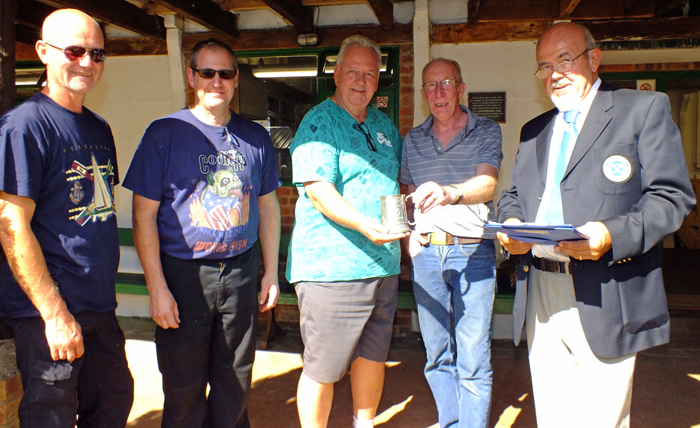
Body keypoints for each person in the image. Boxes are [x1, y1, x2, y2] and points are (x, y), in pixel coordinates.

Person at [497, 22, 695, 428]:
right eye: (545, 66)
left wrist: (612, 235)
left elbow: (672, 197)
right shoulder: (534, 131)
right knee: (552, 415)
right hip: (542, 291)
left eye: (565, 59)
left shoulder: (641, 110)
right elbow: (513, 195)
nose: (555, 73)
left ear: (594, 57)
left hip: (607, 288)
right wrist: (512, 225)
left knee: (602, 419)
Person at [123, 38, 281, 428]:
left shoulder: (255, 137)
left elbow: (268, 206)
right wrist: (156, 288)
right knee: (183, 385)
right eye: (207, 72)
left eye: (225, 73)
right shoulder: (164, 133)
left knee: (236, 380)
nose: (216, 81)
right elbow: (143, 216)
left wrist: (271, 272)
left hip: (241, 270)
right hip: (184, 275)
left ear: (236, 79)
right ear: (192, 76)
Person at [0, 9, 134, 427]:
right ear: (43, 51)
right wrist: (54, 314)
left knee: (113, 401)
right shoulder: (23, 127)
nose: (87, 63)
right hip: (49, 310)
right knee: (51, 417)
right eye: (75, 51)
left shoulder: (97, 127)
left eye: (97, 54)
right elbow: (11, 225)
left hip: (98, 304)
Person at [286, 35, 407, 428]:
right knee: (324, 367)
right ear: (336, 74)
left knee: (373, 355)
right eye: (352, 71)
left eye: (370, 74)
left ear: (378, 80)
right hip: (333, 270)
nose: (361, 80)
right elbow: (319, 191)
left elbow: (398, 182)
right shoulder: (319, 122)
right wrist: (363, 223)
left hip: (383, 264)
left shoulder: (384, 124)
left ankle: (363, 424)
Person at [401, 58, 502, 428]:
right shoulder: (413, 139)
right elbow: (410, 193)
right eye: (430, 85)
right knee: (436, 354)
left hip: (472, 251)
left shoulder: (486, 130)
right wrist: (412, 231)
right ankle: (451, 422)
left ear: (461, 88)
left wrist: (449, 192)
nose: (438, 92)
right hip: (427, 254)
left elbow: (488, 184)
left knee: (473, 357)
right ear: (424, 92)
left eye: (446, 83)